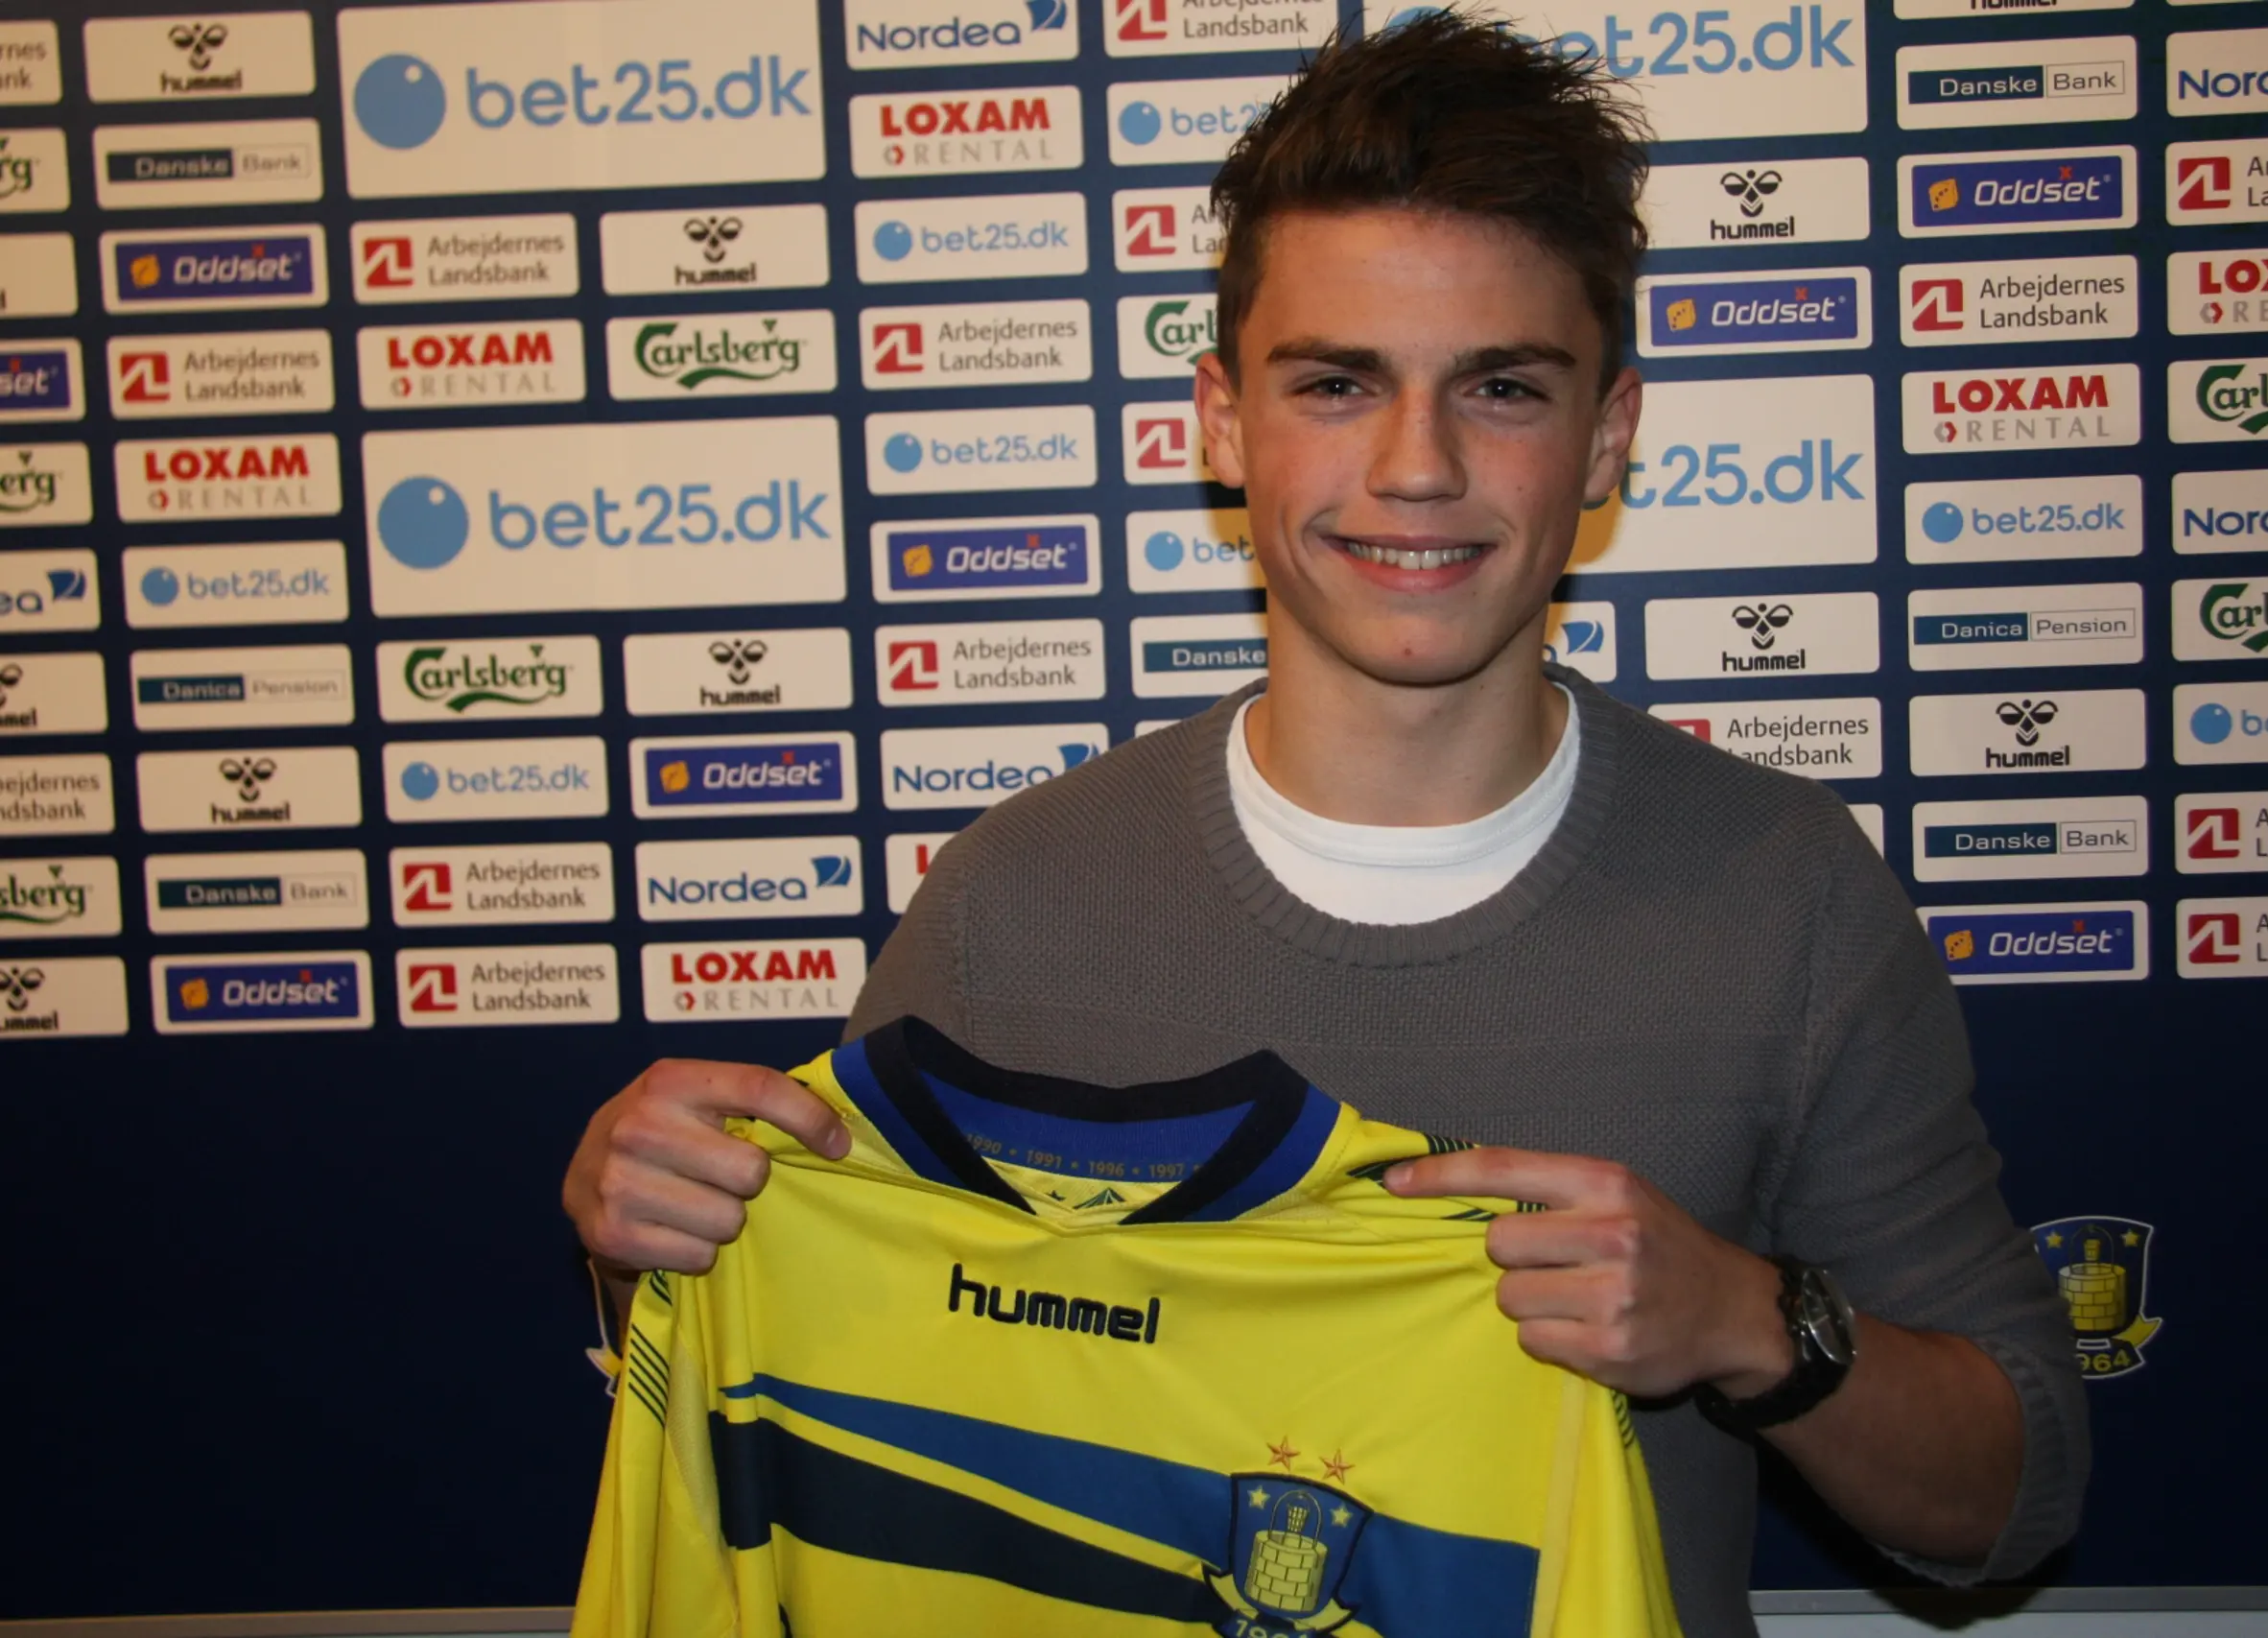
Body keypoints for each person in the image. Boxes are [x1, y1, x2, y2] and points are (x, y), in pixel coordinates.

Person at [563, 14, 2087, 1634]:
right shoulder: (1018, 897)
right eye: (1339, 383)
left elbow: (2011, 1504)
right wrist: (659, 1253)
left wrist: (1751, 1322)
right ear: (1224, 421)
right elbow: (844, 1391)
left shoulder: (1790, 892)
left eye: (1503, 387)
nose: (1416, 468)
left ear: (1609, 435)